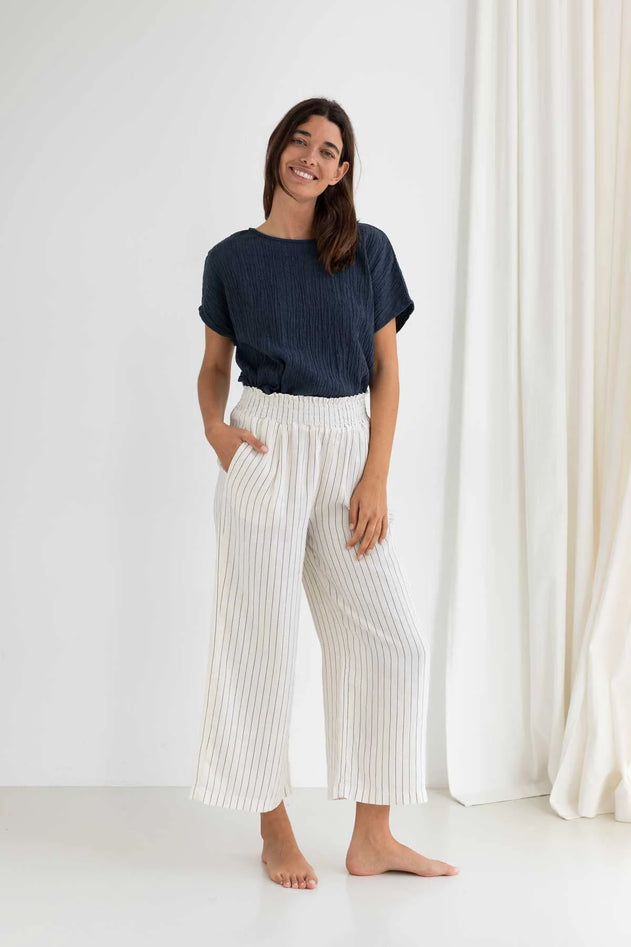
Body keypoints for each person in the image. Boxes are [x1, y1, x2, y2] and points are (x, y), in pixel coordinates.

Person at [189, 97, 460, 889]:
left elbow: (387, 373)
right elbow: (213, 365)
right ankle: (274, 829)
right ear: (278, 150)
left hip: (346, 448)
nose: (309, 155)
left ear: (343, 171)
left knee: (393, 639)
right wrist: (215, 430)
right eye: (299, 140)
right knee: (260, 644)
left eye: (328, 148)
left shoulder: (365, 251)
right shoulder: (230, 258)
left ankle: (372, 837)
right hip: (265, 444)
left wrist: (374, 474)